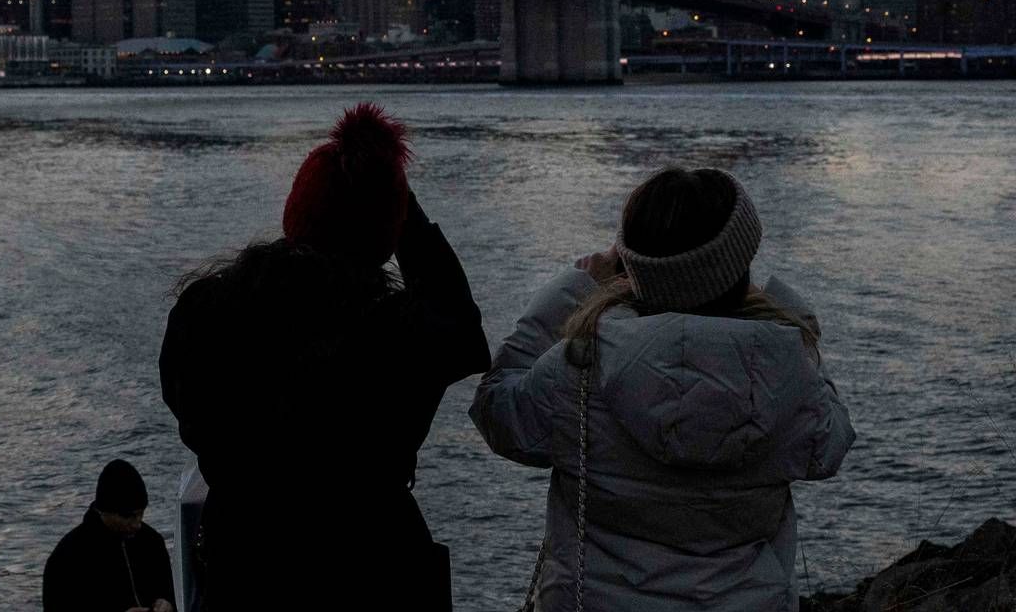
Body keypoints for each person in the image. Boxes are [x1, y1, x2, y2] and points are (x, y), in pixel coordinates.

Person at [469, 167, 856, 611]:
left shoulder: (577, 368)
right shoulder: (789, 376)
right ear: (741, 262)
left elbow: (496, 408)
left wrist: (575, 289)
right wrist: (792, 322)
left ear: (632, 268)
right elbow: (832, 444)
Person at [158, 104, 488, 609]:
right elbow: (460, 324)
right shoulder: (395, 334)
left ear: (296, 212)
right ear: (386, 236)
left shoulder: (204, 317)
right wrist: (395, 202)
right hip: (373, 570)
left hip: (245, 567)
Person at [42, 459, 177, 612]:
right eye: (129, 516)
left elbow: (169, 592)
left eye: (141, 514)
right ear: (104, 512)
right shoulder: (67, 557)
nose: (137, 524)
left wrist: (168, 604)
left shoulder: (152, 542)